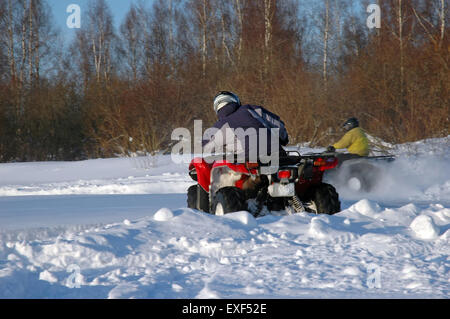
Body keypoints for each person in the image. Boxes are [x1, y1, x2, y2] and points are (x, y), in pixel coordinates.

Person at [202, 91, 289, 163]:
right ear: (235, 101)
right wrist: (284, 138)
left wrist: (222, 145)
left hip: (249, 161)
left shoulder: (220, 125)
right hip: (277, 154)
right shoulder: (251, 109)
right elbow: (278, 125)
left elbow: (206, 146)